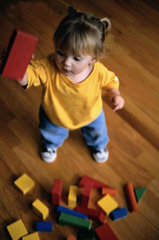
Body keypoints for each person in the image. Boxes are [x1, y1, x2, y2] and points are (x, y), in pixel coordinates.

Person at [17, 6, 125, 163]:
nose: (66, 63)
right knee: (50, 132)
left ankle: (98, 146)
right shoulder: (47, 66)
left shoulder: (99, 71)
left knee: (98, 132)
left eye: (77, 58)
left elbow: (111, 81)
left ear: (93, 59)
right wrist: (17, 66)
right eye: (61, 53)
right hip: (55, 115)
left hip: (91, 114)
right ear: (55, 44)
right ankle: (50, 145)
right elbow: (26, 78)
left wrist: (115, 94)